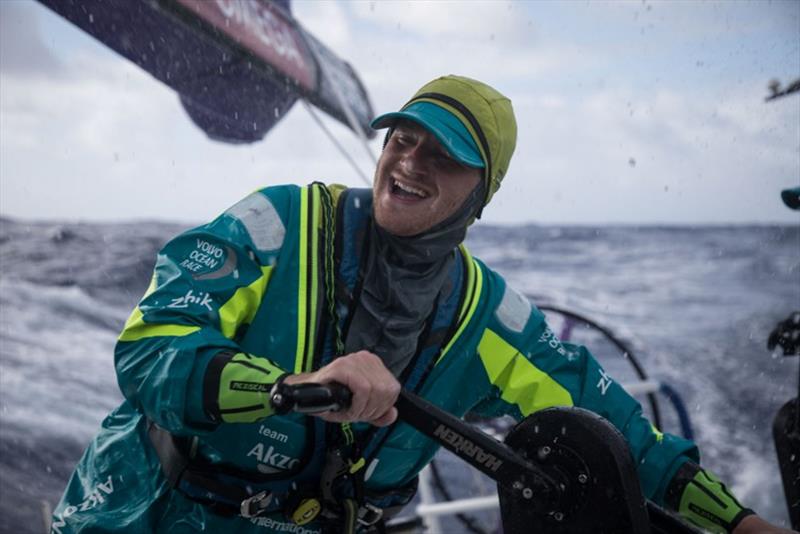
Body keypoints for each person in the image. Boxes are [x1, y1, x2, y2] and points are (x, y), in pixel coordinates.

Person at [51, 75, 791, 534]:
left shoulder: (489, 322)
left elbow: (625, 442)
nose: (409, 160)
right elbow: (151, 349)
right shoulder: (274, 226)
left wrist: (742, 525)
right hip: (143, 515)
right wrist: (286, 389)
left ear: (482, 192)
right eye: (402, 139)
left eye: (442, 154)